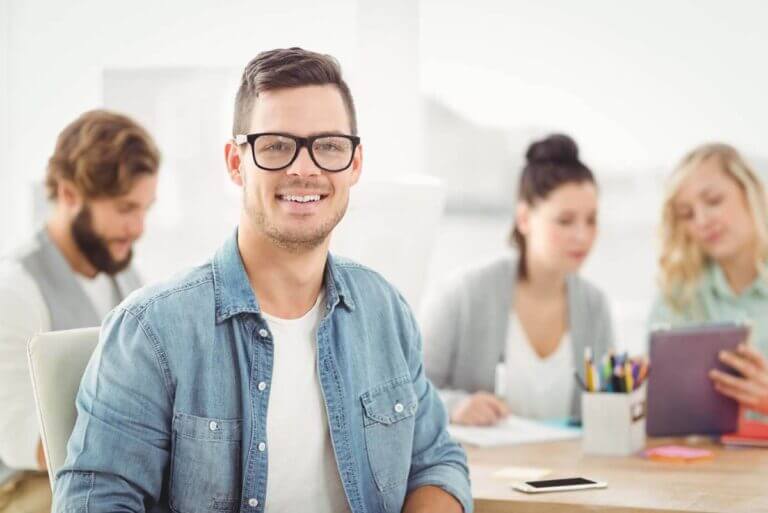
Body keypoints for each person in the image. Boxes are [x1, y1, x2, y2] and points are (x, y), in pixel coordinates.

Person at [54, 48, 471, 513]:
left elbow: (436, 461)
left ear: (354, 163)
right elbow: (93, 504)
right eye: (276, 145)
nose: (304, 168)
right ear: (236, 162)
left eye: (329, 145)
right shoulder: (151, 331)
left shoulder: (385, 311)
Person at [0, 110, 160, 512]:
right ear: (70, 194)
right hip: (29, 488)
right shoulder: (15, 290)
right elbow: (18, 438)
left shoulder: (125, 278)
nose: (138, 227)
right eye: (126, 209)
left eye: (145, 208)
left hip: (112, 475)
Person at [422, 134, 614, 426]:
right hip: (482, 468)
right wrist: (454, 407)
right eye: (565, 221)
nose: (582, 236)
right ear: (524, 219)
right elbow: (407, 392)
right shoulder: (465, 293)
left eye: (591, 220)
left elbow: (601, 410)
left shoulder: (595, 306)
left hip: (567, 468)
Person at [650, 143, 768, 415]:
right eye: (687, 214)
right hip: (706, 455)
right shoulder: (679, 294)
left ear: (750, 194)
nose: (702, 220)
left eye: (714, 201)